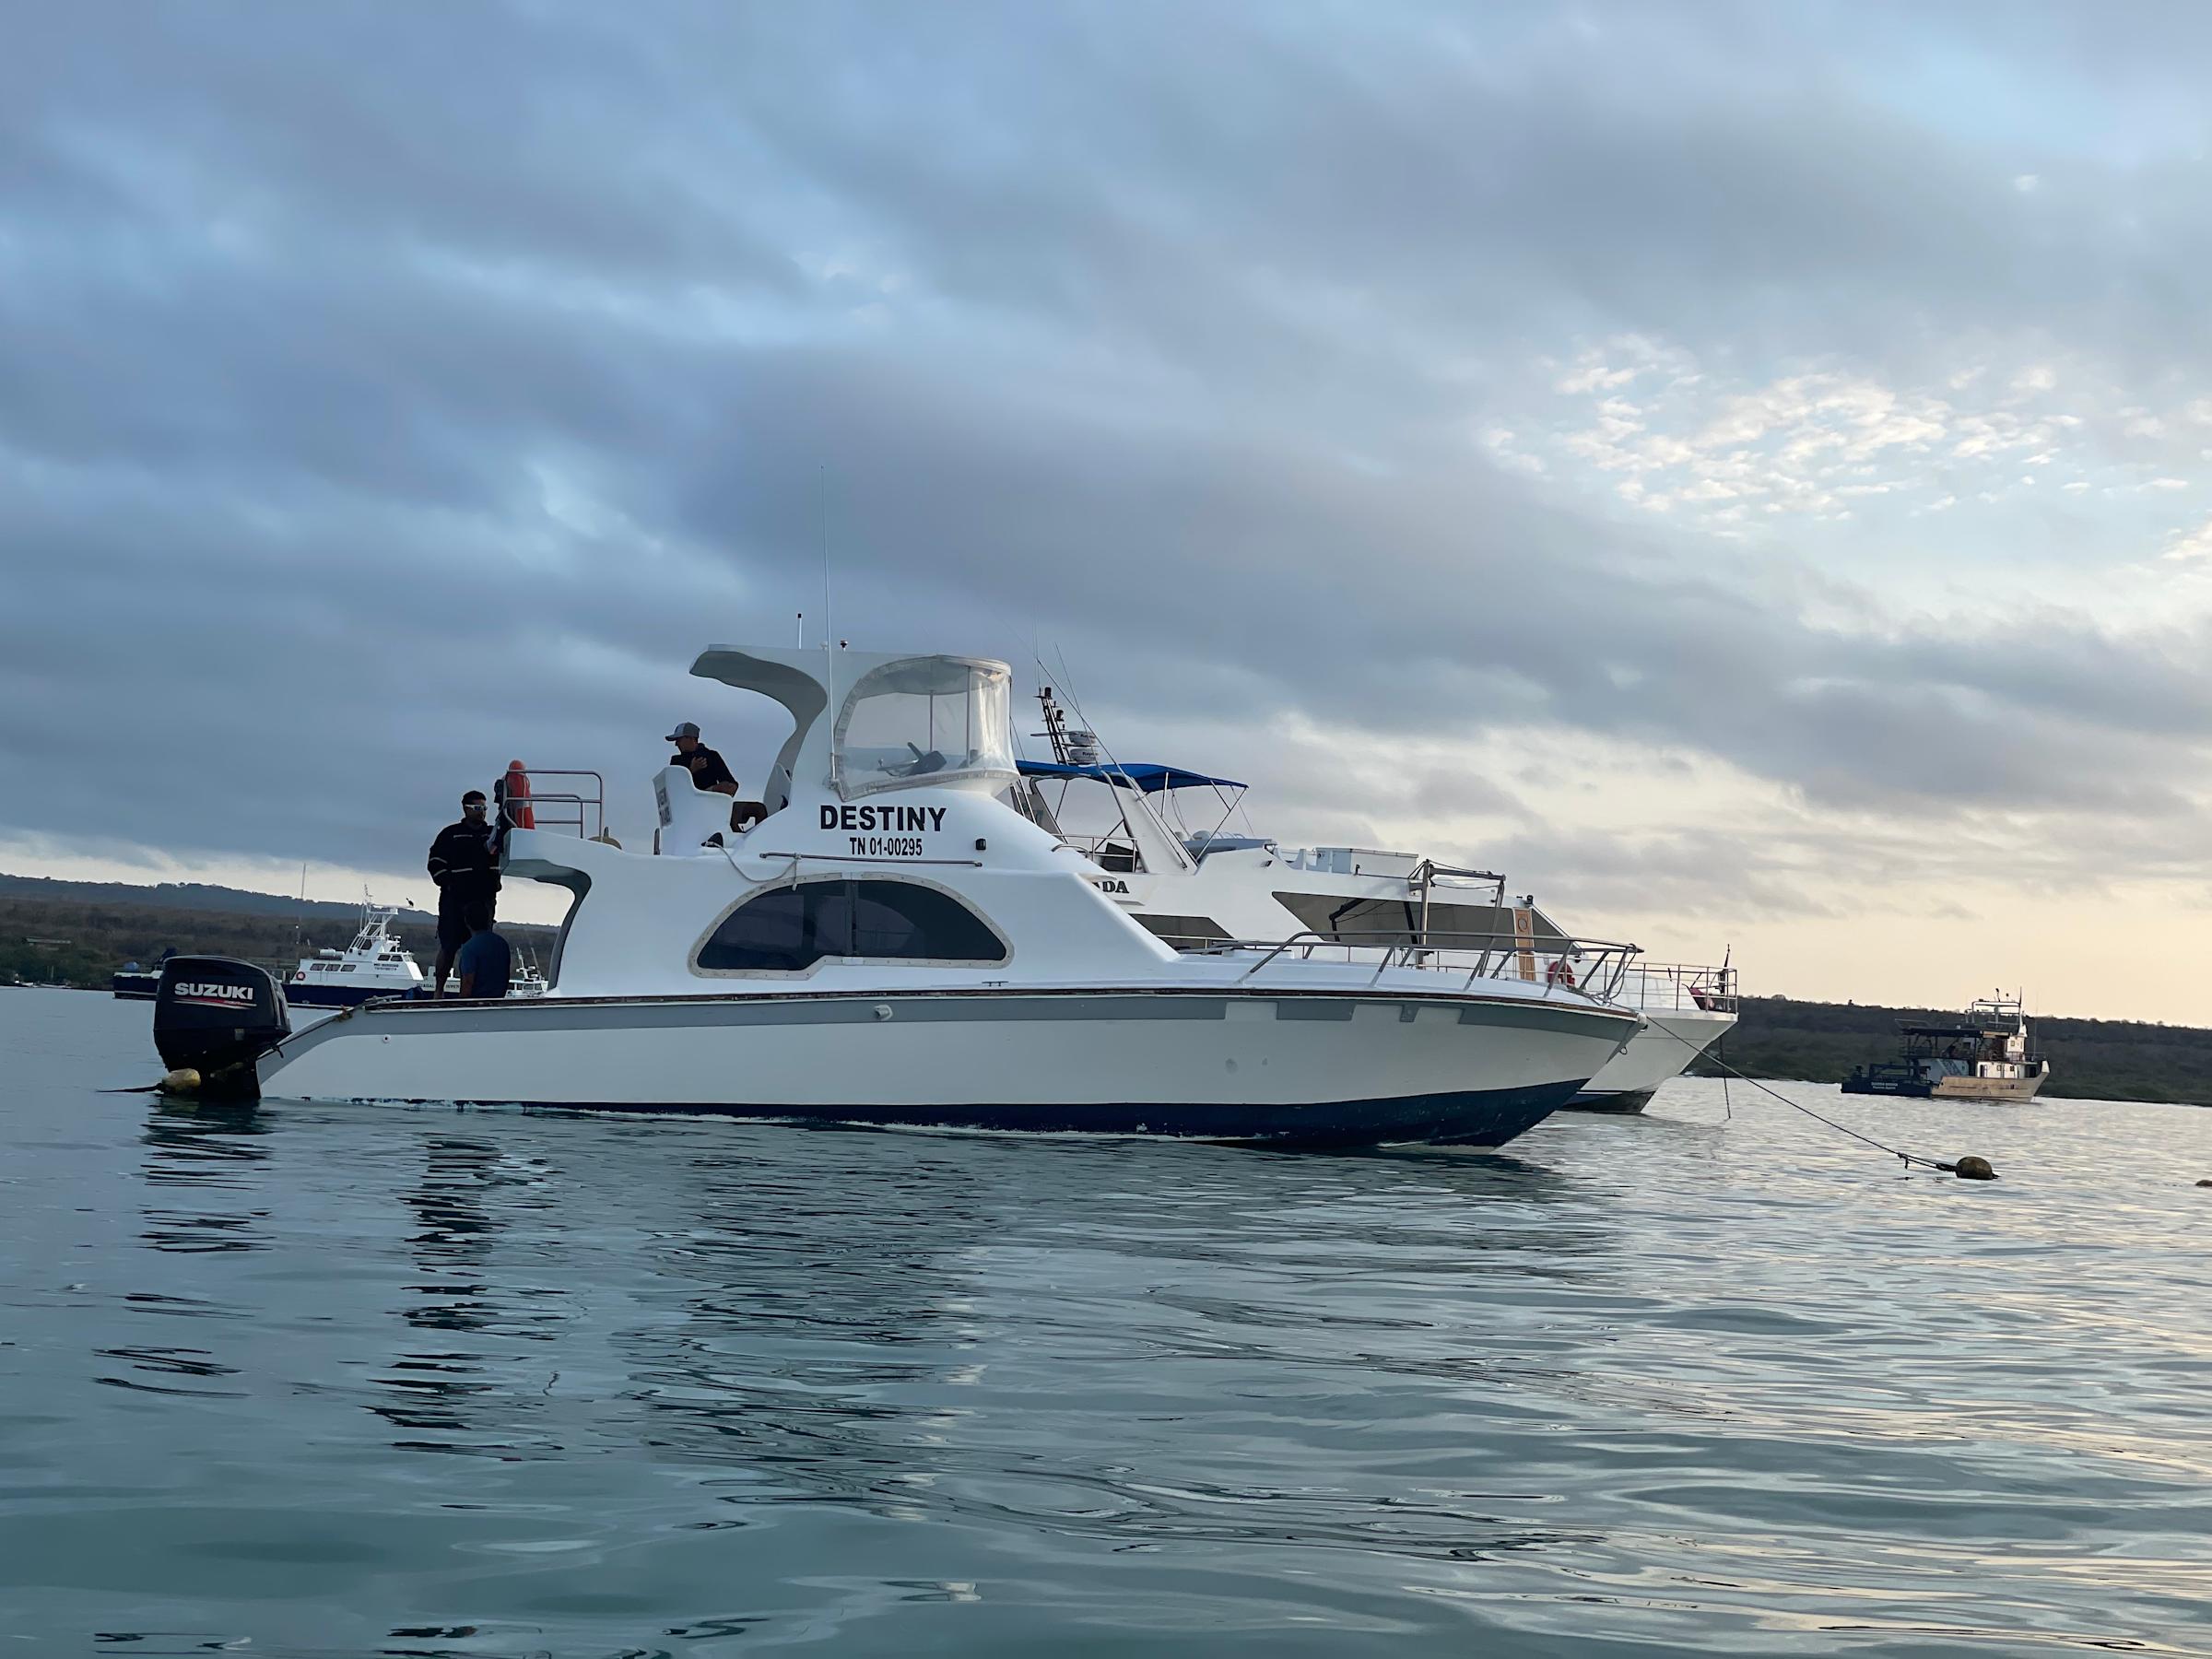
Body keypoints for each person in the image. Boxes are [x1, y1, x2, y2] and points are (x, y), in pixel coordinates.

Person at [428, 789, 500, 995]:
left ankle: (468, 994)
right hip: (455, 900)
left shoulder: (493, 834)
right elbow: (435, 863)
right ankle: (438, 992)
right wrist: (449, 883)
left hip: (484, 899)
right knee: (449, 945)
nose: (482, 812)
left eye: (485, 808)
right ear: (465, 809)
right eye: (477, 808)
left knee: (478, 947)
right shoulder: (449, 834)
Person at [454, 901, 512, 1000]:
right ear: (489, 920)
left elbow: (468, 983)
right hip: (498, 1002)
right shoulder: (502, 944)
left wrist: (461, 1004)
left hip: (476, 1004)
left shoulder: (469, 948)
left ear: (466, 921)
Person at [667, 722, 738, 796]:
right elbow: (674, 788)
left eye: (678, 740)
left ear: (690, 738)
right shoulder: (676, 761)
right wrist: (691, 770)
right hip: (686, 803)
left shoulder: (712, 756)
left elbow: (731, 785)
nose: (676, 744)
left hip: (709, 804)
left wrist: (725, 788)